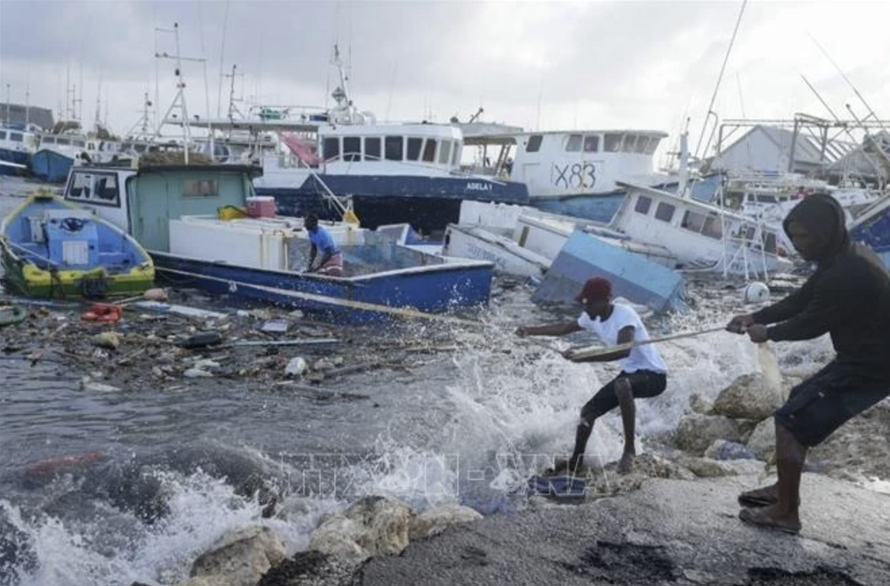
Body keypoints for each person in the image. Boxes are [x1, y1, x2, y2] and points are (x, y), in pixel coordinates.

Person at [726, 193, 890, 534]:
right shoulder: (843, 257)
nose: (798, 245)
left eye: (804, 237)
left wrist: (766, 332)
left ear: (826, 232)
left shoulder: (845, 272)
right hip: (866, 356)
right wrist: (754, 315)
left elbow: (811, 323)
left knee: (790, 419)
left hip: (874, 364)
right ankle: (782, 490)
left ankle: (787, 512)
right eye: (794, 236)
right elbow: (801, 300)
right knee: (799, 397)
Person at [516, 277, 668, 475]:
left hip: (654, 377)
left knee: (622, 384)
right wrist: (529, 330)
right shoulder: (591, 317)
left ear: (605, 300)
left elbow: (623, 351)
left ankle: (629, 450)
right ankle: (576, 461)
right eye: (584, 304)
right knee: (587, 412)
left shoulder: (625, 315)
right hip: (631, 375)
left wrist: (584, 357)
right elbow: (563, 328)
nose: (585, 308)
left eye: (589, 304)